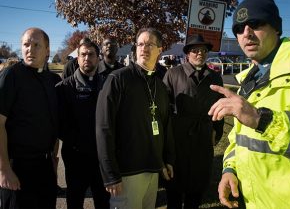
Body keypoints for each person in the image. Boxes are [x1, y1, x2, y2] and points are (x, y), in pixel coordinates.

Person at [208, 0, 290, 208]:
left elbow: (256, 122)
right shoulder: (248, 79)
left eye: (256, 23)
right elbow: (239, 137)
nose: (246, 33)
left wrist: (263, 121)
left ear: (276, 27)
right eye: (238, 29)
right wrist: (230, 169)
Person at [96, 27, 175, 209]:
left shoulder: (159, 85)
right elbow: (103, 128)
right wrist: (110, 174)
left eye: (149, 44)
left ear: (160, 50)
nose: (143, 48)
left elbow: (165, 125)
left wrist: (167, 159)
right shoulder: (118, 79)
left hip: (153, 170)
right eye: (140, 44)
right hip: (126, 173)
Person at [0, 27, 59, 209]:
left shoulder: (53, 80)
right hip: (17, 168)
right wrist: (4, 170)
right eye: (26, 44)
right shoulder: (11, 76)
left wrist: (54, 160)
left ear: (48, 50)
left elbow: (54, 123)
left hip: (45, 168)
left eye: (36, 45)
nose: (30, 49)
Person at [163, 35, 224, 209]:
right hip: (178, 138)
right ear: (187, 54)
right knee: (174, 191)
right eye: (195, 50)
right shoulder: (173, 74)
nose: (200, 54)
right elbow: (164, 108)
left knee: (196, 191)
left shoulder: (214, 77)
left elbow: (221, 106)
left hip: (203, 138)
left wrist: (216, 132)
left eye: (204, 51)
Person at [56, 38, 110, 209]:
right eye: (83, 55)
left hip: (101, 159)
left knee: (103, 201)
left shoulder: (108, 84)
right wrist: (79, 141)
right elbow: (59, 125)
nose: (87, 58)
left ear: (98, 58)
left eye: (91, 54)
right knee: (75, 200)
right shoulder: (64, 88)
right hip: (76, 158)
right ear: (77, 58)